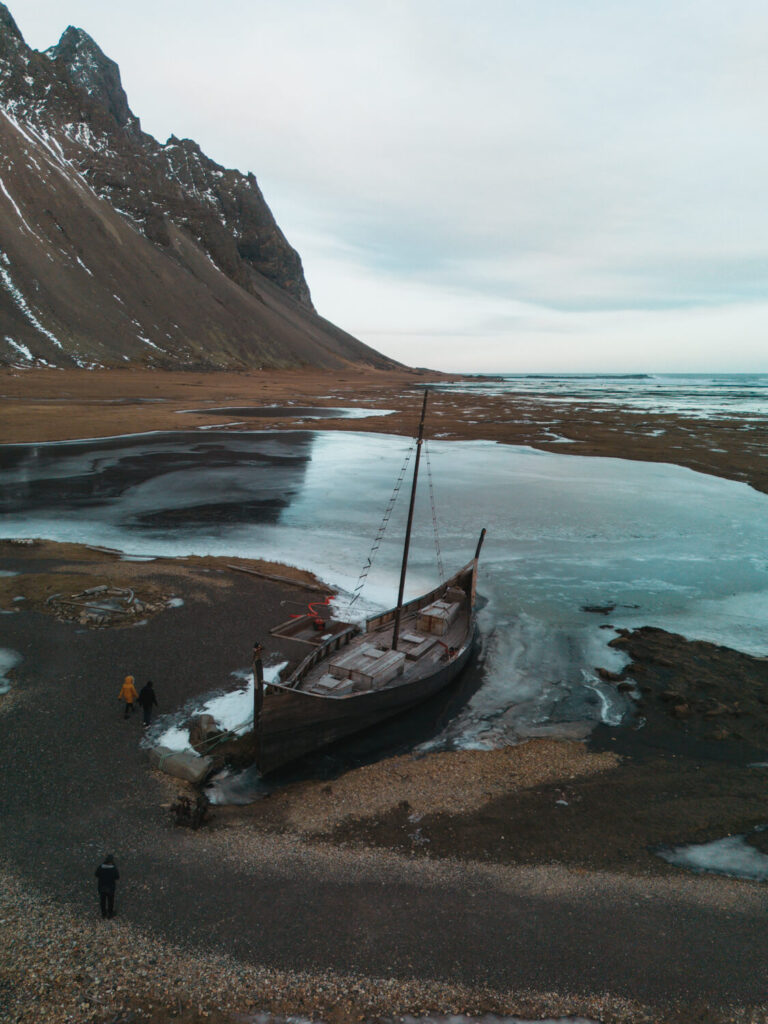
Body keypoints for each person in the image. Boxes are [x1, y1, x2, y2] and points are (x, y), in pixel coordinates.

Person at [95, 854, 119, 918]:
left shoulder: (100, 867)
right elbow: (117, 877)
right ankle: (110, 913)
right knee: (110, 900)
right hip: (110, 887)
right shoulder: (113, 868)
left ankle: (103, 913)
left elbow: (96, 874)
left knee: (102, 900)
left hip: (101, 886)